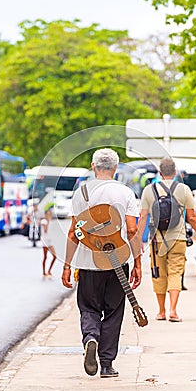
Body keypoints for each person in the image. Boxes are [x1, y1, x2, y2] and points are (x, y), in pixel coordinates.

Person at [62, 148, 142, 378]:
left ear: (92, 166)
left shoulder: (81, 193)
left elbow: (72, 232)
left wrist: (67, 265)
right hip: (118, 261)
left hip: (88, 263)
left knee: (88, 307)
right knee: (114, 311)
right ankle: (106, 364)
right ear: (116, 169)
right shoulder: (125, 192)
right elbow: (133, 229)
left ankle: (90, 338)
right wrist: (137, 263)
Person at [139, 157, 196, 322]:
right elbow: (192, 218)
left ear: (160, 172)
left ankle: (161, 311)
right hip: (178, 238)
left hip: (157, 240)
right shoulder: (184, 189)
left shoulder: (149, 190)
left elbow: (143, 217)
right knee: (175, 272)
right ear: (174, 171)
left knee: (158, 273)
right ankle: (173, 310)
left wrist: (137, 242)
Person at [41, 208, 57, 277]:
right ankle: (44, 272)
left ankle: (49, 270)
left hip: (50, 241)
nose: (49, 215)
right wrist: (47, 221)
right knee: (45, 257)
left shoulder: (51, 222)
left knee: (55, 256)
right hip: (45, 241)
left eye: (50, 214)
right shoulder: (44, 221)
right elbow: (45, 230)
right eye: (47, 214)